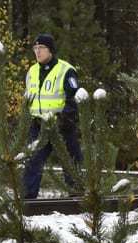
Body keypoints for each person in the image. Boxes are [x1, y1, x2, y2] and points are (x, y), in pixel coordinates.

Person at [22, 33, 83, 199]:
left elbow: (75, 98)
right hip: (38, 125)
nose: (37, 52)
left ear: (51, 50)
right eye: (35, 48)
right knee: (33, 161)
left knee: (71, 162)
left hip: (62, 124)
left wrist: (64, 119)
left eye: (41, 48)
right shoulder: (32, 71)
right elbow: (28, 99)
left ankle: (77, 198)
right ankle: (27, 200)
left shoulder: (66, 70)